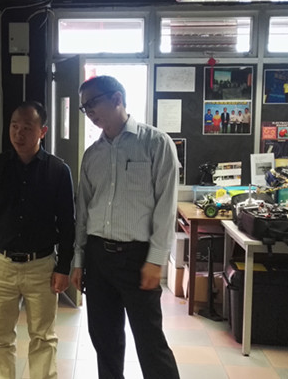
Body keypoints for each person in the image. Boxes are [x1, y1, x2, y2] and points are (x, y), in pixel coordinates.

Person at [71, 76, 180, 379]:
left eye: (93, 103)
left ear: (117, 98)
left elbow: (166, 206)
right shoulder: (92, 155)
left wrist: (156, 259)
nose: (89, 112)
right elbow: (83, 212)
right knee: (104, 340)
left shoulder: (156, 143)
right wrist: (79, 261)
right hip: (98, 258)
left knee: (150, 342)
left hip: (137, 258)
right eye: (84, 108)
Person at [0, 101, 75, 379]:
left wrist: (64, 266)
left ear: (42, 131)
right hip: (0, 264)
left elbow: (67, 223)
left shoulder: (58, 171)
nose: (18, 133)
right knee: (1, 338)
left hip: (42, 266)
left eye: (27, 127)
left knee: (43, 337)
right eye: (14, 126)